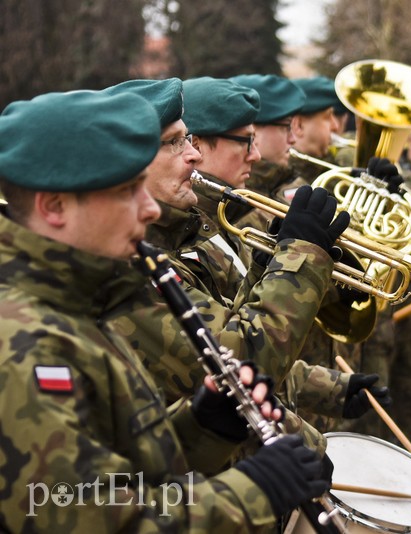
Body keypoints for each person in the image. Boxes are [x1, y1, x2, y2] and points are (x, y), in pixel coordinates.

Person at [0, 89, 328, 531]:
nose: (150, 208)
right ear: (55, 206)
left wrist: (202, 427)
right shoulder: (22, 343)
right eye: (126, 190)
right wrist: (254, 492)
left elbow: (124, 466)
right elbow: (80, 514)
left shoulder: (77, 302)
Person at [103, 78, 385, 454]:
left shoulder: (189, 229)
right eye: (175, 142)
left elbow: (230, 325)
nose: (192, 155)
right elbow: (237, 364)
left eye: (187, 140)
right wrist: (299, 258)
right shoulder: (126, 265)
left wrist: (272, 265)